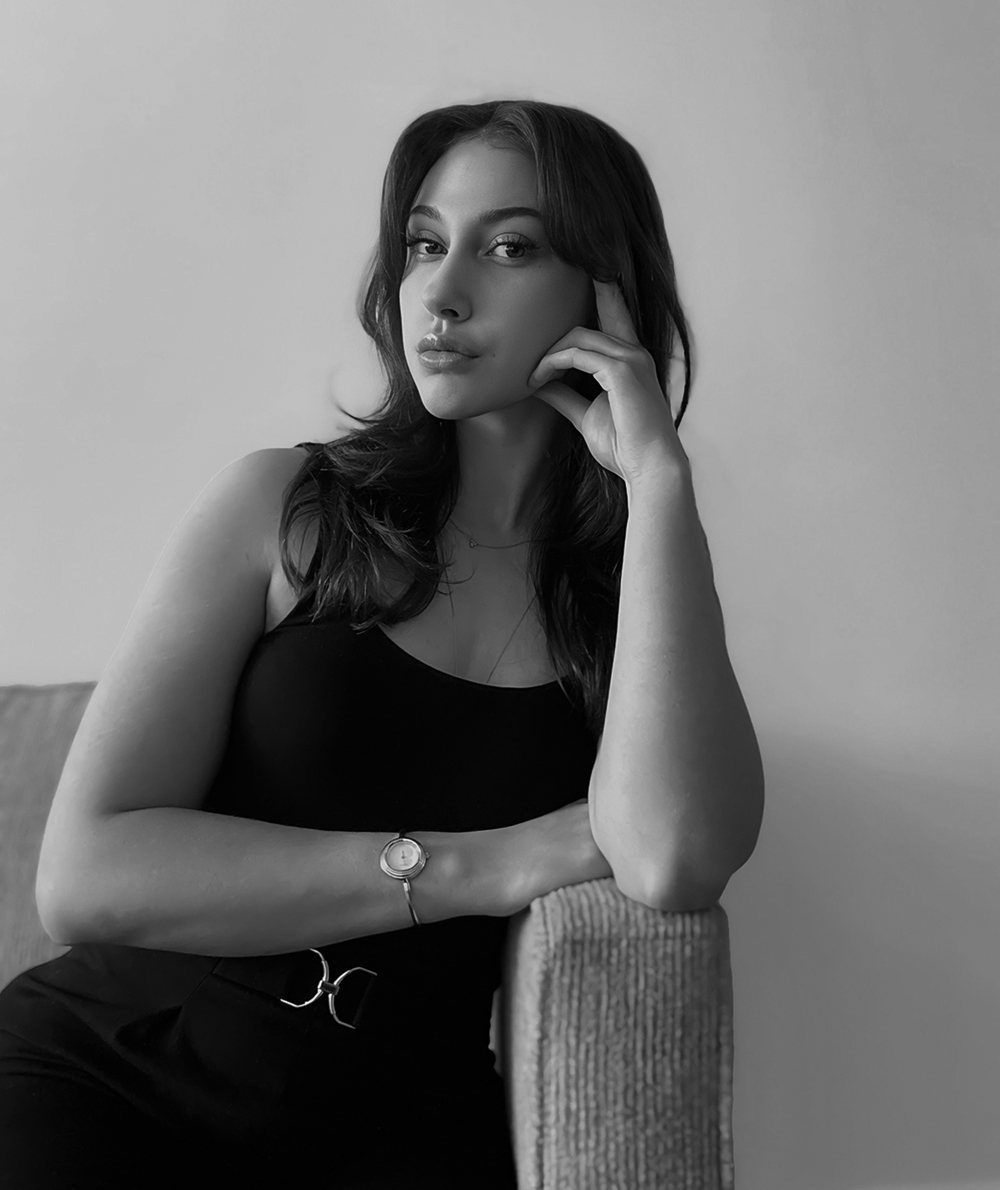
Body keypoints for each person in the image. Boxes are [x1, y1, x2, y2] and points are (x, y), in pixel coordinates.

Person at [0, 99, 764, 1188]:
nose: (442, 292)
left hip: (399, 1134)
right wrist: (473, 865)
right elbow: (82, 877)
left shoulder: (632, 605)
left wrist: (658, 479)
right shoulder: (285, 508)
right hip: (109, 1078)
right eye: (422, 243)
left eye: (509, 247)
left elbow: (676, 857)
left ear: (605, 292)